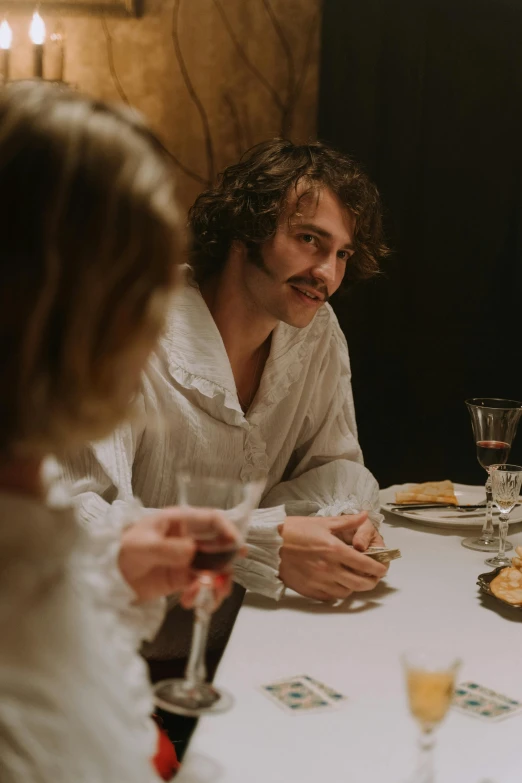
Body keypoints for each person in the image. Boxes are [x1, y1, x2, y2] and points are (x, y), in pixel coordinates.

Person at [64, 139, 390, 678]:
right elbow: (79, 525)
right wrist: (262, 541)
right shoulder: (124, 328)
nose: (327, 275)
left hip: (249, 640)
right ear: (247, 228)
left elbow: (336, 468)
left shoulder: (318, 335)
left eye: (342, 254)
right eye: (310, 240)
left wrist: (342, 528)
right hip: (110, 665)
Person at [0, 80, 238, 782]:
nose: (160, 319)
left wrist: (117, 567)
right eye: (143, 285)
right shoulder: (24, 719)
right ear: (54, 313)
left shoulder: (28, 486)